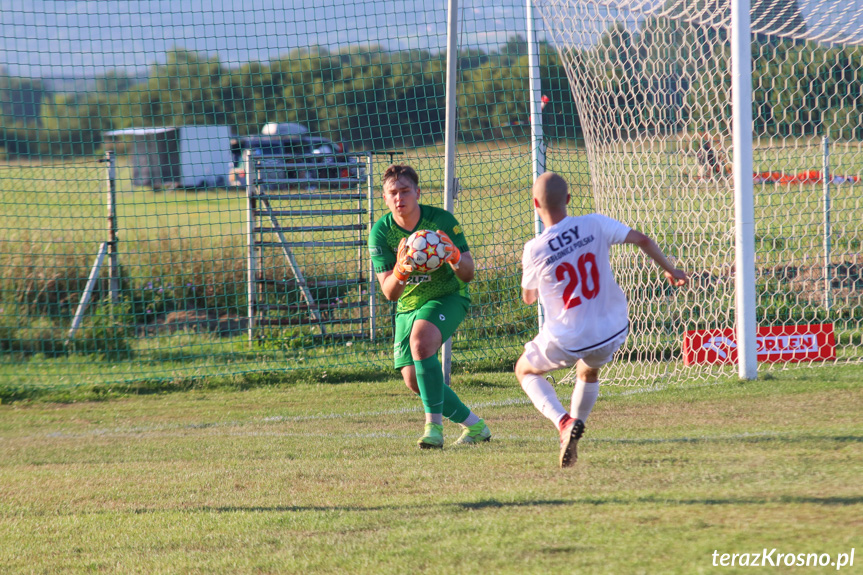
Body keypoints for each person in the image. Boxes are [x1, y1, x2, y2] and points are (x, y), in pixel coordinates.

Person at [516, 172, 688, 467]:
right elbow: (642, 239)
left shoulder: (535, 249)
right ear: (568, 200)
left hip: (567, 337)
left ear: (535, 204)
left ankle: (563, 422)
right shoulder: (594, 223)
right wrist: (670, 269)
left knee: (525, 371)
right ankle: (576, 428)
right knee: (589, 371)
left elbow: (528, 297)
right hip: (611, 329)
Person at [368, 164, 491, 449]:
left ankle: (433, 428)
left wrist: (455, 256)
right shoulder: (380, 233)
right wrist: (401, 270)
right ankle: (476, 427)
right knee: (414, 380)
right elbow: (390, 293)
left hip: (448, 295)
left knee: (421, 343)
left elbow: (468, 274)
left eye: (405, 190)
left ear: (418, 192)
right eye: (393, 193)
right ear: (385, 199)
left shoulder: (441, 221)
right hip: (408, 305)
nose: (399, 197)